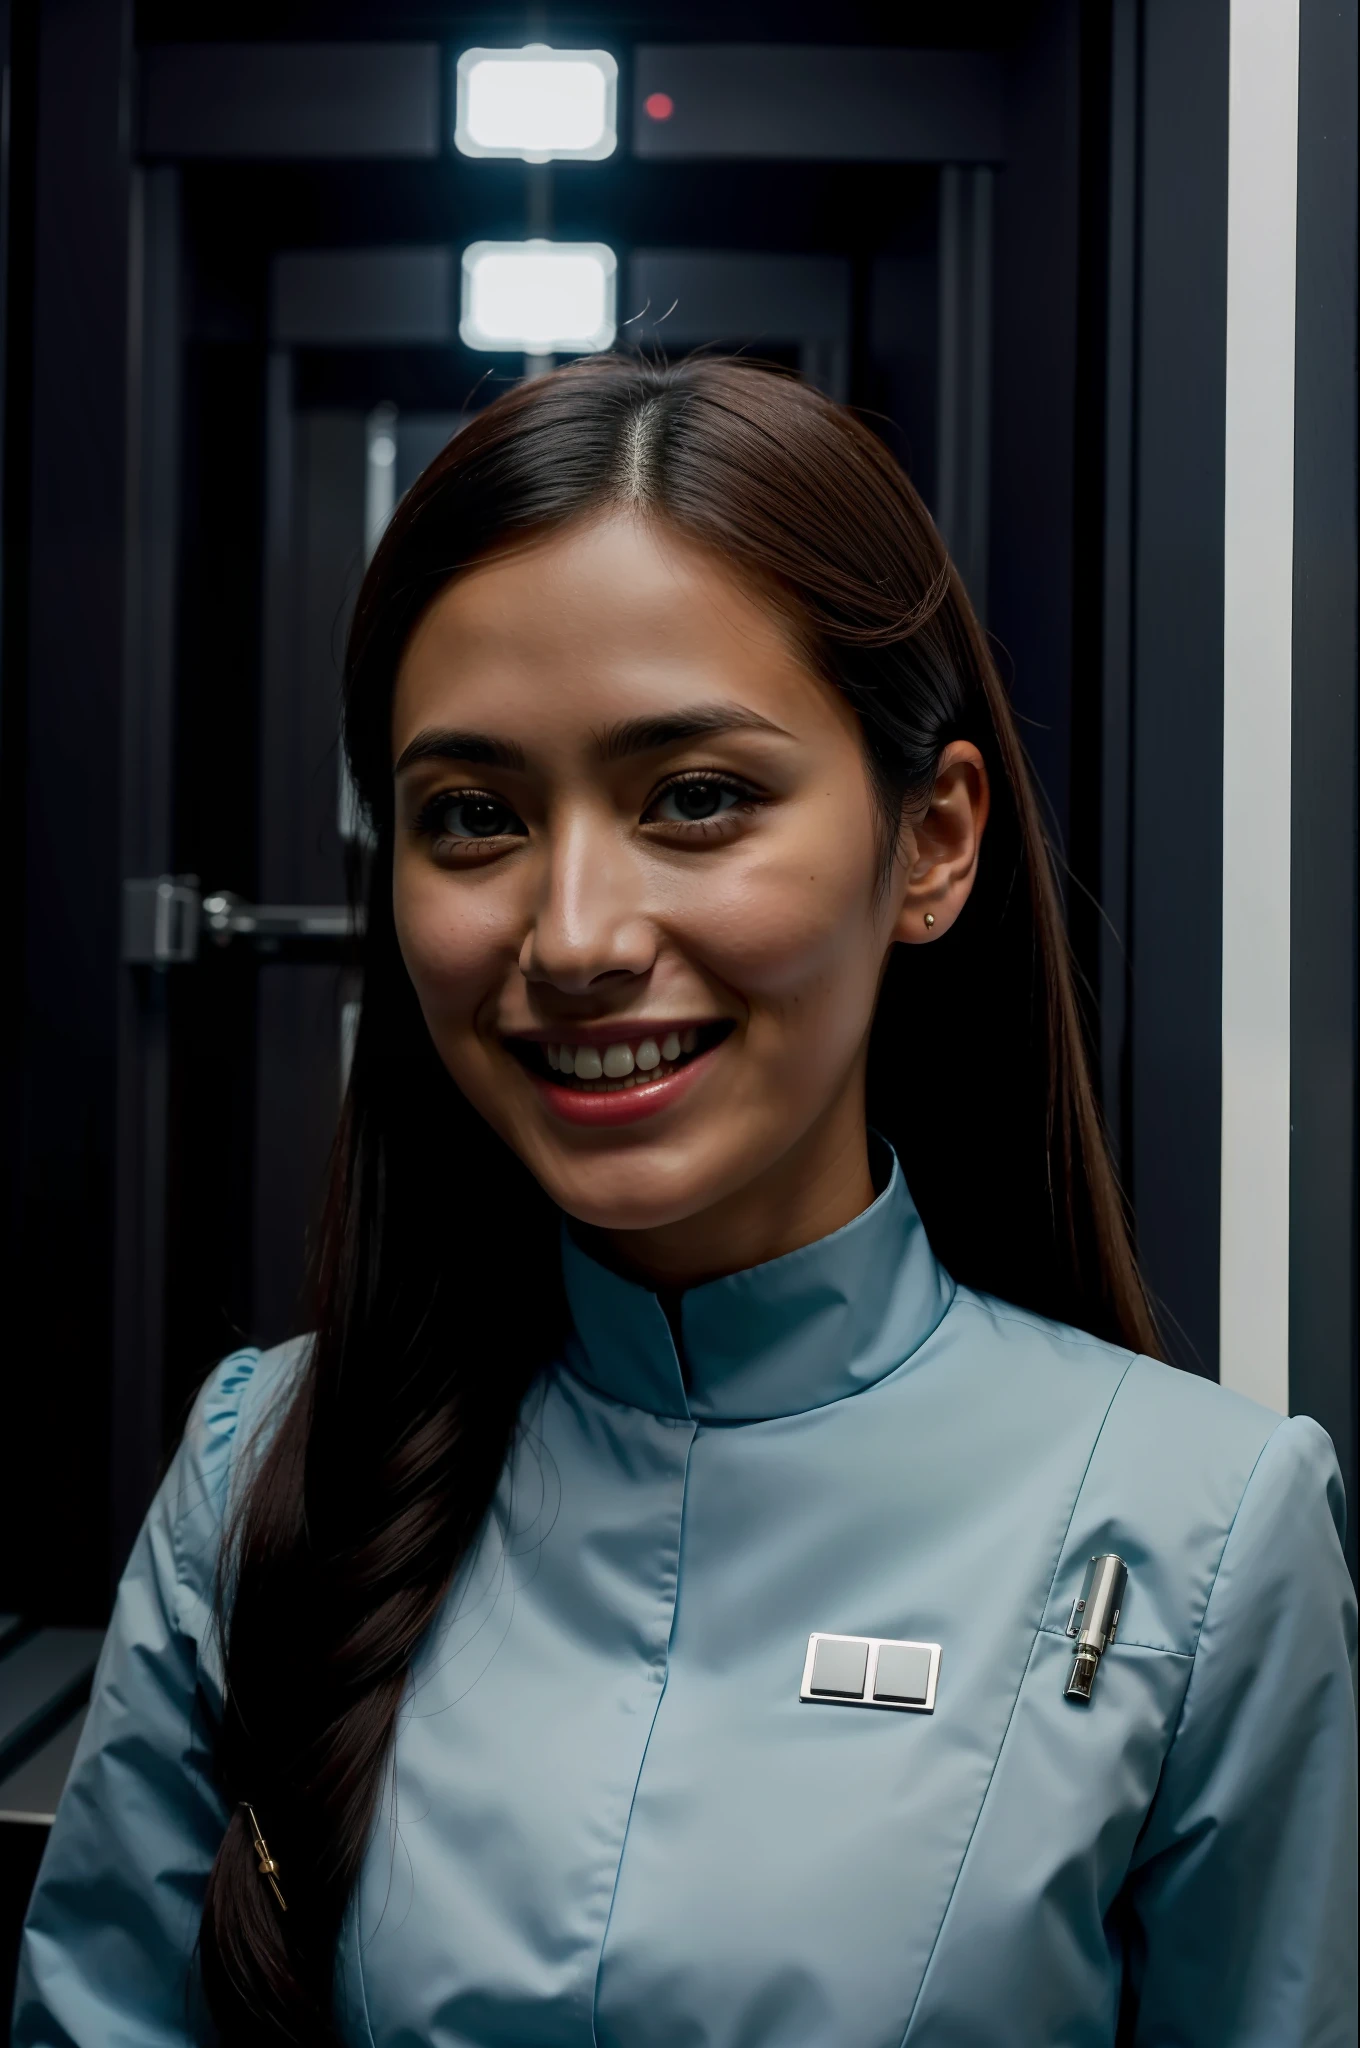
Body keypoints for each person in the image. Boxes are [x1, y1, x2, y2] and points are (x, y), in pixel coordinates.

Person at [14, 357, 1356, 2047]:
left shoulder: (1200, 1535)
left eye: (696, 797)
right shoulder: (260, 1475)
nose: (574, 935)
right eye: (477, 818)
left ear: (931, 841)